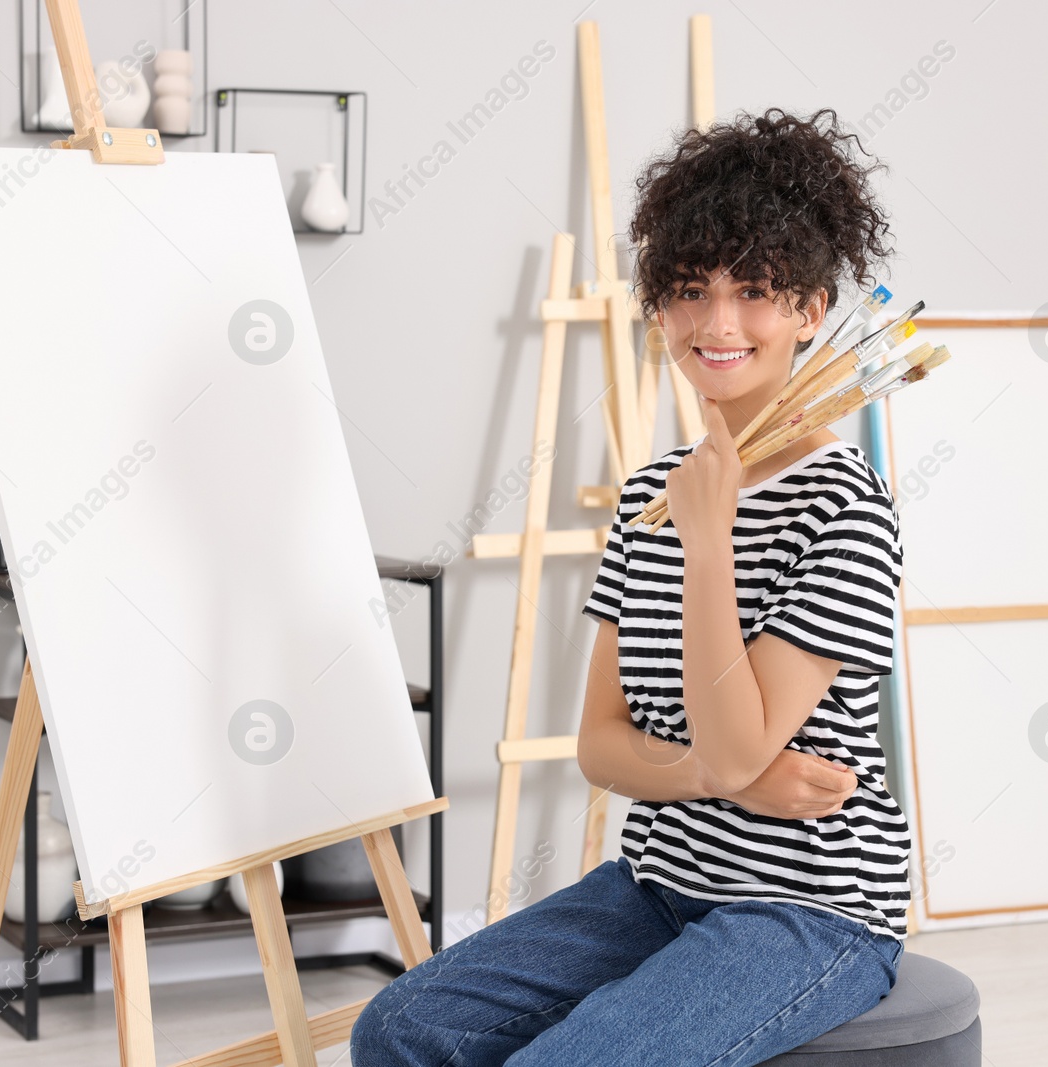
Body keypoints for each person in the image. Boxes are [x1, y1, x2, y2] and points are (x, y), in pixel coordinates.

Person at [350, 107, 909, 1066]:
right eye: (692, 290)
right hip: (659, 885)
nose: (720, 322)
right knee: (398, 1028)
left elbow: (736, 745)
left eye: (758, 290)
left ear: (813, 310)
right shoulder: (650, 494)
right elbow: (601, 746)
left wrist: (708, 540)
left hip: (810, 910)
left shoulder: (846, 512)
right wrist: (713, 778)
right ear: (660, 308)